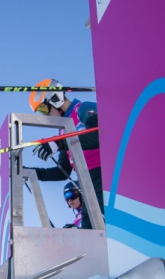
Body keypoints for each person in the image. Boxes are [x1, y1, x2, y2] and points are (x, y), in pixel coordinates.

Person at [26, 79, 105, 216]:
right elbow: (63, 171)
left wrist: (61, 143)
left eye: (43, 109)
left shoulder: (83, 109)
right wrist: (29, 173)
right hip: (86, 186)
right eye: (40, 112)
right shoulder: (63, 130)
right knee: (87, 228)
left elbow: (103, 136)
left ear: (55, 99)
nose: (45, 115)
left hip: (103, 177)